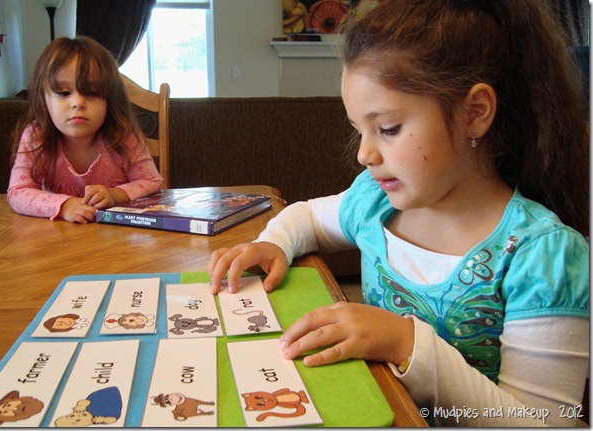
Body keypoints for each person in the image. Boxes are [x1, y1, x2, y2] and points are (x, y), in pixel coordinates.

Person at [208, 0, 589, 427]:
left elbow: (543, 422)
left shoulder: (541, 256)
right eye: (359, 130)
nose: (364, 154)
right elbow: (310, 218)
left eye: (388, 129)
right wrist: (273, 243)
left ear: (474, 113)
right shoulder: (376, 204)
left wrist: (406, 344)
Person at [7, 36, 163, 223]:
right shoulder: (36, 135)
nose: (78, 103)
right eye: (63, 93)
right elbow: (18, 192)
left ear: (110, 99)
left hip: (117, 234)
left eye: (92, 92)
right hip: (58, 234)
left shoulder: (122, 134)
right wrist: (64, 205)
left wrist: (115, 195)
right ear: (44, 98)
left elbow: (152, 182)